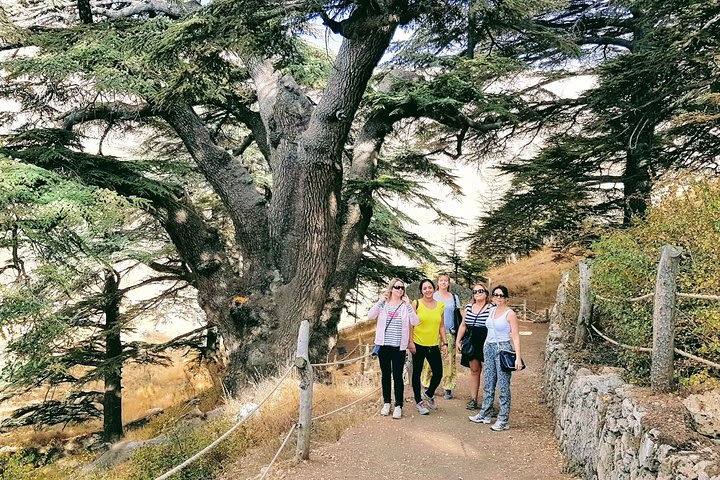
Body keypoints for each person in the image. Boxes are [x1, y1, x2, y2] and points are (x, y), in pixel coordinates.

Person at [469, 285, 523, 431]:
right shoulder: (491, 310)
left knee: (503, 385)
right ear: (492, 297)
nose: (498, 297)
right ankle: (485, 413)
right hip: (489, 348)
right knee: (489, 381)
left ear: (506, 298)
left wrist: (518, 357)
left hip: (503, 348)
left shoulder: (509, 313)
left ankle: (503, 419)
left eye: (501, 295)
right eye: (496, 295)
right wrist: (486, 344)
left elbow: (516, 336)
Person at [369, 278, 419, 419]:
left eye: (402, 288)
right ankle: (386, 403)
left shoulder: (405, 306)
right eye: (397, 287)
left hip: (399, 347)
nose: (400, 290)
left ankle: (398, 405)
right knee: (385, 375)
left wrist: (409, 305)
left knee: (398, 376)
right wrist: (379, 301)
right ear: (391, 288)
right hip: (384, 345)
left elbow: (415, 322)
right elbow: (370, 316)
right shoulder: (383, 304)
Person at [409, 278, 449, 415]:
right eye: (425, 288)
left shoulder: (440, 305)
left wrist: (445, 343)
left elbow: (441, 326)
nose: (428, 290)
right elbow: (411, 324)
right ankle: (419, 402)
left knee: (438, 373)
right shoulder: (416, 303)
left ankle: (429, 393)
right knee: (417, 374)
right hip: (418, 344)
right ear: (421, 291)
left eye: (430, 287)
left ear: (434, 288)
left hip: (433, 345)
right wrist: (410, 342)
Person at [421, 274, 461, 399]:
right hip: (432, 332)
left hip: (449, 332)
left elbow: (459, 315)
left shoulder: (454, 298)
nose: (443, 283)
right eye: (441, 281)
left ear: (449, 283)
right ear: (437, 283)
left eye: (446, 281)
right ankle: (426, 383)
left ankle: (448, 387)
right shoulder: (432, 295)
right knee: (428, 360)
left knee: (448, 360)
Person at [455, 283, 491, 410]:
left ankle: (488, 402)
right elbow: (463, 325)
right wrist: (458, 340)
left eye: (480, 290)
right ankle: (473, 399)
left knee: (490, 372)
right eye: (475, 291)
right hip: (472, 341)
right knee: (474, 370)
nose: (478, 293)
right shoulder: (469, 307)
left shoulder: (491, 308)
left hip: (487, 340)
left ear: (486, 293)